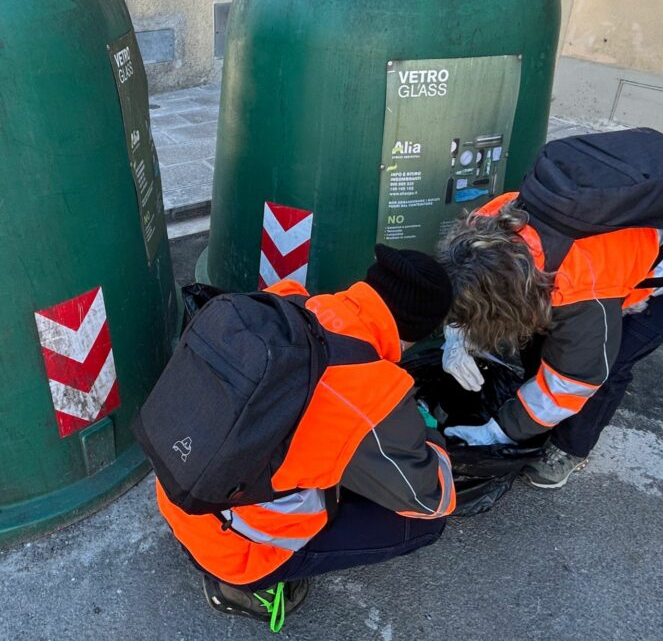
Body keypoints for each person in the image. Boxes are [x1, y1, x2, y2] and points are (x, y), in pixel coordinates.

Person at [148, 247, 456, 631]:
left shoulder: (287, 298)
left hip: (178, 487)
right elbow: (432, 498)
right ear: (415, 335)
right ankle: (241, 588)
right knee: (425, 525)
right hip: (233, 548)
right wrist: (425, 426)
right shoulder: (373, 392)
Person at [436, 168, 663, 489]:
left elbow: (576, 377)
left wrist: (498, 432)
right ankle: (535, 418)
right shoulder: (486, 226)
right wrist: (457, 334)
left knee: (612, 358)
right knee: (547, 336)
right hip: (628, 247)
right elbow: (467, 286)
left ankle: (570, 449)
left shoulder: (584, 289)